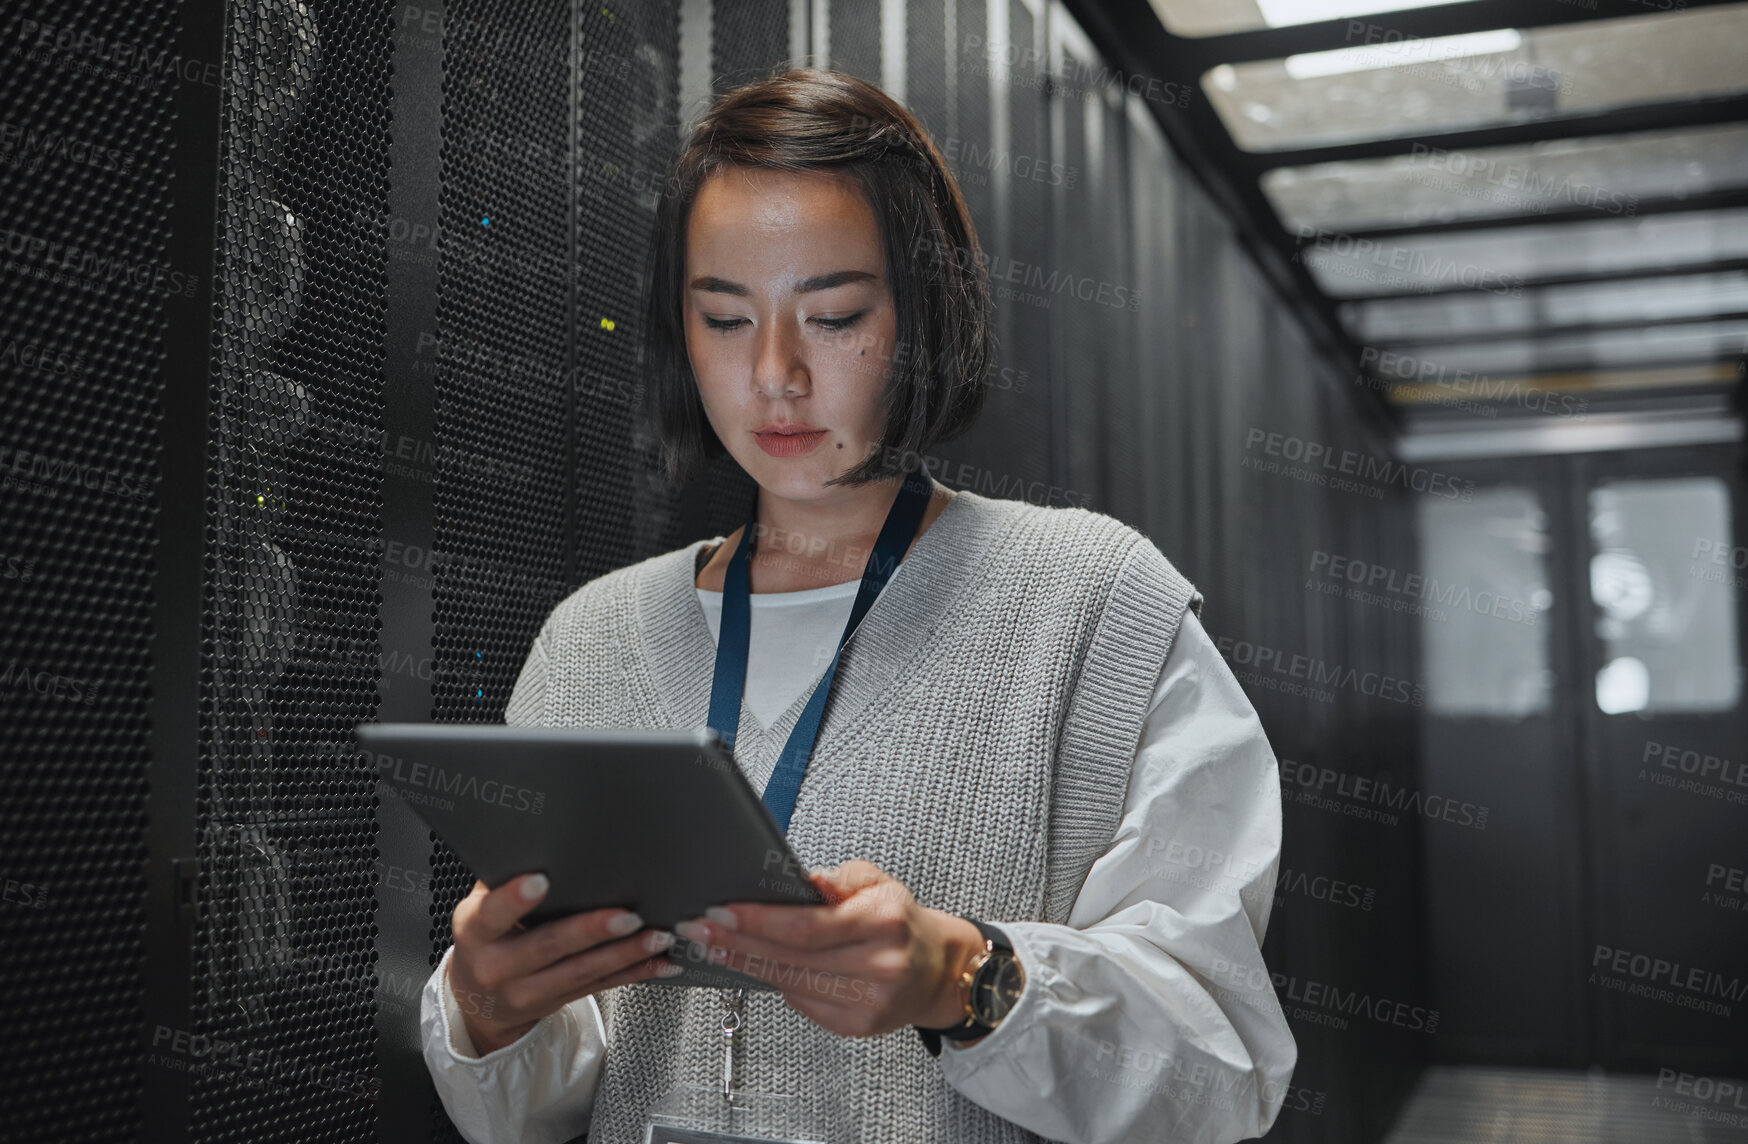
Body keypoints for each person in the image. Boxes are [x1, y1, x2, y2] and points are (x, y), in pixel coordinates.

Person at [419, 67, 1296, 1144]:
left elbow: (1222, 1069)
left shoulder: (1095, 607)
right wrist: (489, 1010)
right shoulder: (589, 639)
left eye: (831, 315)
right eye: (725, 319)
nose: (775, 374)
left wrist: (961, 977)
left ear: (924, 311)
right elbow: (542, 1105)